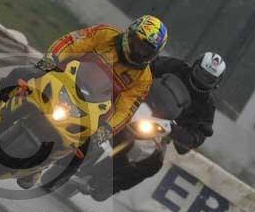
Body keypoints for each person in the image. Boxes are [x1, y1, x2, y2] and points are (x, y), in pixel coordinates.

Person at [0, 16, 169, 188]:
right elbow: (71, 43)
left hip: (91, 110)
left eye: (147, 52)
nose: (140, 53)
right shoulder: (105, 34)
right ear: (130, 34)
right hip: (62, 79)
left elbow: (126, 109)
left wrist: (107, 128)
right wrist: (51, 60)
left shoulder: (144, 79)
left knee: (86, 149)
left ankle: (42, 165)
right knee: (21, 74)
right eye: (139, 44)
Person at [89, 52, 226, 201]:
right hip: (138, 104)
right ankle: (72, 140)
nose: (202, 80)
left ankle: (111, 186)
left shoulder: (206, 107)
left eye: (209, 79)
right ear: (195, 66)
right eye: (201, 73)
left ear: (216, 83)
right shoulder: (175, 67)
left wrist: (173, 130)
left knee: (155, 163)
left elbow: (197, 136)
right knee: (103, 106)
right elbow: (148, 68)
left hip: (158, 130)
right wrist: (137, 84)